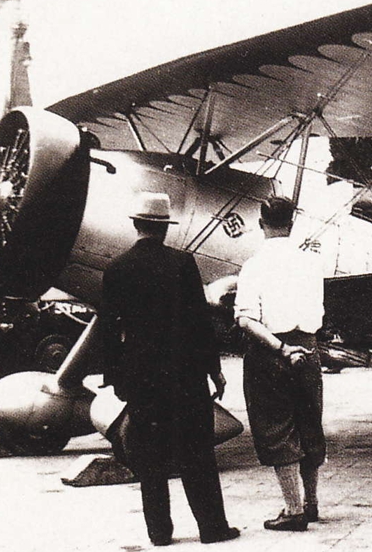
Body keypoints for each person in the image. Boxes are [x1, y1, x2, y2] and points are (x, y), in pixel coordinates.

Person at [97, 192, 238, 546]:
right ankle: (212, 528)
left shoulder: (116, 269)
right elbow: (199, 323)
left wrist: (115, 378)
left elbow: (108, 330)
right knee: (197, 454)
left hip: (142, 378)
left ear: (135, 224)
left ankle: (160, 533)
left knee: (150, 461)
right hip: (185, 374)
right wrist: (214, 369)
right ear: (164, 227)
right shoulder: (182, 264)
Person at [235, 196, 326, 532]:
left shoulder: (254, 266)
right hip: (309, 348)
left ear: (261, 224)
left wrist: (280, 348)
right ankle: (312, 502)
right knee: (309, 425)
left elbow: (246, 320)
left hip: (271, 351)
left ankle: (293, 509)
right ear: (292, 223)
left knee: (277, 428)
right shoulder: (312, 264)